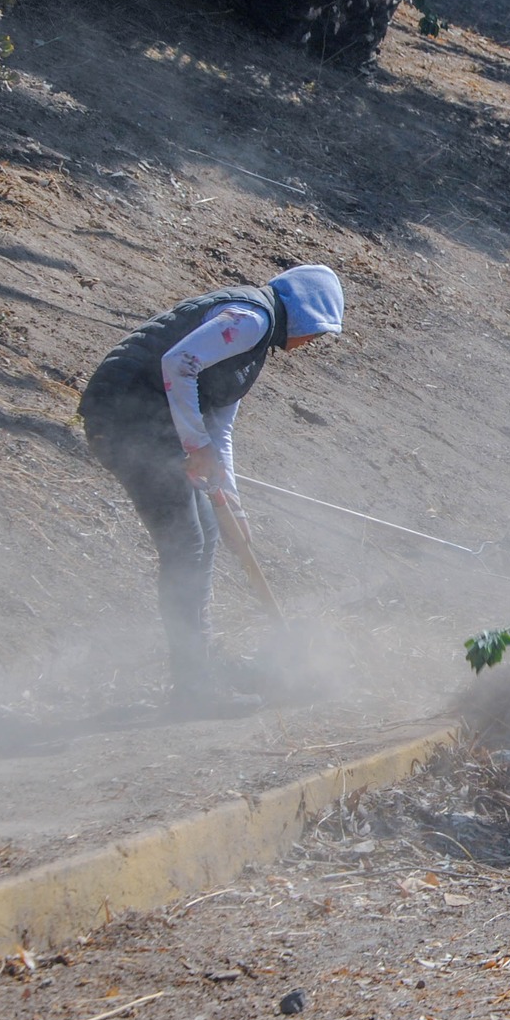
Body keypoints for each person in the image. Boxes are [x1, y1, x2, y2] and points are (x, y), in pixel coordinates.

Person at [78, 265, 344, 717]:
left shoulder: (251, 347)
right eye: (316, 334)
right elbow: (176, 364)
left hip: (152, 426)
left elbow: (219, 430)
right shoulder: (250, 320)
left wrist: (232, 503)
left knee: (206, 534)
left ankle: (196, 671)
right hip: (125, 419)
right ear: (306, 313)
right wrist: (194, 445)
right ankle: (192, 691)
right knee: (187, 544)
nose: (309, 345)